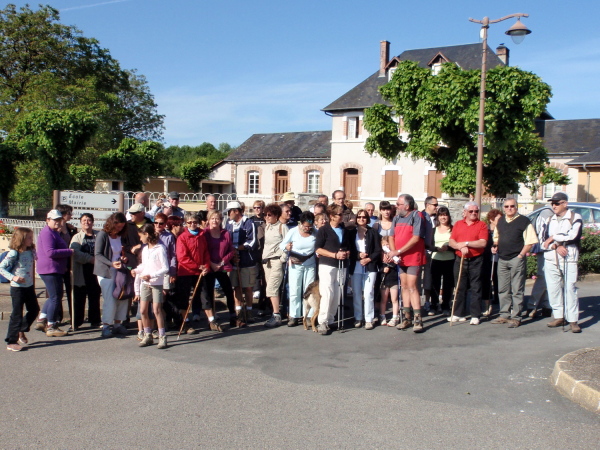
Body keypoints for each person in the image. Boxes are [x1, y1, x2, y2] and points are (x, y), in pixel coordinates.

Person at [490, 199, 538, 328]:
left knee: (517, 289)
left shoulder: (524, 221)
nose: (509, 208)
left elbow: (530, 241)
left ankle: (516, 317)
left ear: (516, 207)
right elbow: (496, 237)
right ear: (503, 208)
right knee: (503, 289)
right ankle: (504, 314)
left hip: (516, 258)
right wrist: (495, 246)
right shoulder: (500, 221)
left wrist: (521, 255)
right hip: (502, 258)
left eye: (512, 206)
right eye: (507, 206)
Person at [541, 192, 583, 333]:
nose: (554, 206)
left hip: (569, 257)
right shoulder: (549, 219)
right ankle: (559, 316)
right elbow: (542, 241)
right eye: (552, 203)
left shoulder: (574, 217)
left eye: (557, 203)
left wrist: (554, 237)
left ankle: (573, 320)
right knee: (553, 288)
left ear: (565, 203)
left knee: (570, 288)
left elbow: (573, 235)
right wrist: (555, 245)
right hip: (551, 257)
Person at [388, 194, 427, 332]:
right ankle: (407, 317)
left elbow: (416, 238)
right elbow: (391, 236)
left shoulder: (417, 216)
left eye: (399, 204)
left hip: (413, 257)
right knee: (404, 286)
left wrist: (398, 251)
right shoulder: (397, 218)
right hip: (401, 258)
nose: (396, 206)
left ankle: (418, 319)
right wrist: (394, 252)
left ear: (407, 206)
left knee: (412, 286)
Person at [34, 210, 74, 337]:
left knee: (53, 296)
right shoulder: (47, 233)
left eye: (59, 220)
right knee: (56, 297)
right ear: (48, 220)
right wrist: (69, 252)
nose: (57, 222)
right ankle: (51, 325)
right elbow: (50, 252)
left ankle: (42, 319)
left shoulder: (54, 232)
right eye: (54, 220)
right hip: (50, 269)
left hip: (54, 269)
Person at [448, 202, 488, 324]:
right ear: (465, 212)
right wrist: (459, 247)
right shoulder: (458, 224)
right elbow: (451, 241)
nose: (474, 213)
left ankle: (475, 315)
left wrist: (466, 243)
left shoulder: (482, 225)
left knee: (476, 287)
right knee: (459, 286)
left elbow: (483, 243)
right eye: (471, 211)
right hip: (461, 259)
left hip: (476, 259)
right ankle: (458, 313)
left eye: (476, 211)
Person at [315, 204, 352, 335]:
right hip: (327, 263)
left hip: (341, 264)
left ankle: (331, 318)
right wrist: (334, 255)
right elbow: (318, 248)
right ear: (332, 216)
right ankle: (322, 321)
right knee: (327, 292)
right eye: (339, 214)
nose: (341, 217)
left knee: (338, 292)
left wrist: (346, 253)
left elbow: (347, 246)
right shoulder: (324, 230)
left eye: (342, 214)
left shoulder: (344, 230)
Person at [175, 212, 215, 333]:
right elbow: (182, 258)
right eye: (190, 222)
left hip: (199, 272)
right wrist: (198, 266)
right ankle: (185, 322)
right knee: (184, 298)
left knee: (205, 296)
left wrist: (206, 266)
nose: (192, 224)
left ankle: (212, 321)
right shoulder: (182, 237)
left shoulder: (202, 235)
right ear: (186, 224)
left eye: (195, 222)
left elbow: (206, 253)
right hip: (185, 272)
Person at [1, 228, 39, 352]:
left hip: (29, 286)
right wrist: (14, 277)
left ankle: (22, 329)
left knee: (34, 310)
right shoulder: (14, 253)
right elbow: (1, 268)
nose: (31, 240)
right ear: (21, 239)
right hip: (17, 288)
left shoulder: (30, 251)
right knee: (17, 314)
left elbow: (36, 260)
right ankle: (11, 341)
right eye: (29, 237)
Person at [132, 223, 169, 348]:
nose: (140, 239)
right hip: (145, 283)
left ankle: (162, 336)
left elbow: (165, 268)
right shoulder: (145, 249)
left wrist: (152, 276)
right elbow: (144, 266)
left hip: (156, 283)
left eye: (141, 236)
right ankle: (148, 335)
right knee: (143, 310)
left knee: (156, 310)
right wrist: (136, 270)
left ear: (147, 234)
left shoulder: (160, 248)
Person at [94, 212, 130, 337]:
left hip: (120, 270)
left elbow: (122, 252)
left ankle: (118, 324)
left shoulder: (121, 236)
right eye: (117, 226)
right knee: (110, 298)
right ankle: (106, 325)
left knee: (122, 296)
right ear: (112, 224)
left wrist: (124, 258)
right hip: (106, 272)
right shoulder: (102, 235)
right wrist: (111, 263)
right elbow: (98, 254)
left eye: (121, 227)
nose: (119, 229)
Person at [281, 211, 317, 327]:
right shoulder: (293, 231)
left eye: (310, 226)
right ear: (300, 223)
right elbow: (282, 245)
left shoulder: (315, 232)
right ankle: (294, 315)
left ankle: (309, 316)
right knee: (295, 290)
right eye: (305, 226)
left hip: (310, 264)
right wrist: (287, 247)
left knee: (309, 291)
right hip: (295, 265)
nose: (307, 228)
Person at [225, 201, 258, 326]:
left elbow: (252, 241)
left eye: (229, 211)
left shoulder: (249, 223)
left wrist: (238, 248)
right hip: (233, 261)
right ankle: (239, 312)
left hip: (247, 261)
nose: (228, 214)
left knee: (248, 287)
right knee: (236, 287)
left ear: (236, 211)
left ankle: (249, 311)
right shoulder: (228, 224)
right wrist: (231, 253)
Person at [203, 210, 236, 328]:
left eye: (217, 218)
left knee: (228, 291)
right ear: (208, 220)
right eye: (212, 218)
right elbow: (202, 251)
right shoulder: (204, 233)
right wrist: (211, 264)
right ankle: (212, 319)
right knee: (209, 293)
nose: (214, 221)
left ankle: (233, 315)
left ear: (221, 220)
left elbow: (231, 250)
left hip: (221, 266)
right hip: (209, 267)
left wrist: (222, 262)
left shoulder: (225, 233)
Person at [349, 209, 381, 330]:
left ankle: (369, 318)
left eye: (364, 217)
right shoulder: (352, 233)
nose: (361, 219)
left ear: (367, 219)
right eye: (359, 217)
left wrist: (368, 259)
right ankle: (358, 317)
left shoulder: (373, 232)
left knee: (368, 293)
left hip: (370, 266)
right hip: (356, 266)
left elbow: (378, 250)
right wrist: (358, 255)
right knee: (357, 292)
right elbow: (350, 250)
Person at [70, 213, 101, 329]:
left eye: (89, 220)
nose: (86, 222)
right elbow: (75, 252)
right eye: (84, 220)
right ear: (80, 222)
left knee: (95, 295)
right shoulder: (77, 237)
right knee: (79, 298)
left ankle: (95, 320)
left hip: (96, 271)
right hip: (81, 271)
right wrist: (90, 259)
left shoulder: (99, 235)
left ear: (93, 222)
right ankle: (76, 322)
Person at [261, 203, 289, 328]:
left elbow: (288, 243)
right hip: (267, 262)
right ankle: (276, 312)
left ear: (276, 215)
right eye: (265, 215)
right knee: (273, 289)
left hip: (277, 260)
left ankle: (276, 315)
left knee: (271, 288)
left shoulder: (282, 227)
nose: (267, 217)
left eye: (269, 215)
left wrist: (283, 258)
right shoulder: (268, 227)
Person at [372, 201, 399, 326]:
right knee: (379, 285)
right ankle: (378, 312)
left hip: (394, 259)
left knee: (393, 288)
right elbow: (375, 242)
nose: (386, 212)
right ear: (380, 211)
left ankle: (394, 314)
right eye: (384, 209)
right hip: (380, 259)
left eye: (388, 209)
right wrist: (382, 255)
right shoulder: (377, 225)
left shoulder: (395, 223)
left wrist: (393, 255)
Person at [526, 207, 555, 318]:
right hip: (545, 249)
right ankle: (532, 305)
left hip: (555, 249)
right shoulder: (546, 213)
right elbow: (542, 234)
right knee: (542, 277)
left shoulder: (565, 214)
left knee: (553, 278)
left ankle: (547, 305)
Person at [430, 206, 454, 316]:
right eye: (441, 215)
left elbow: (456, 244)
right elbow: (429, 245)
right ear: (438, 217)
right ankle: (434, 305)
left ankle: (446, 305)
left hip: (450, 260)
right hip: (436, 259)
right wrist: (436, 249)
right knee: (434, 283)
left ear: (448, 216)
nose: (443, 217)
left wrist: (448, 248)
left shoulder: (453, 229)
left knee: (448, 285)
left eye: (445, 215)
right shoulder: (433, 230)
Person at [481, 209, 502, 317]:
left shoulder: (502, 230)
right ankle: (487, 300)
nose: (501, 220)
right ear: (491, 220)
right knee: (487, 280)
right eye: (498, 219)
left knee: (498, 279)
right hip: (487, 258)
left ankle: (498, 299)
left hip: (499, 258)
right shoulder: (486, 230)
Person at [420, 196, 438, 313]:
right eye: (435, 205)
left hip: (432, 253)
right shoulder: (420, 217)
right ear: (428, 205)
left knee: (428, 279)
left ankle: (427, 302)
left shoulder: (437, 218)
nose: (437, 207)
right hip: (421, 252)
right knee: (416, 280)